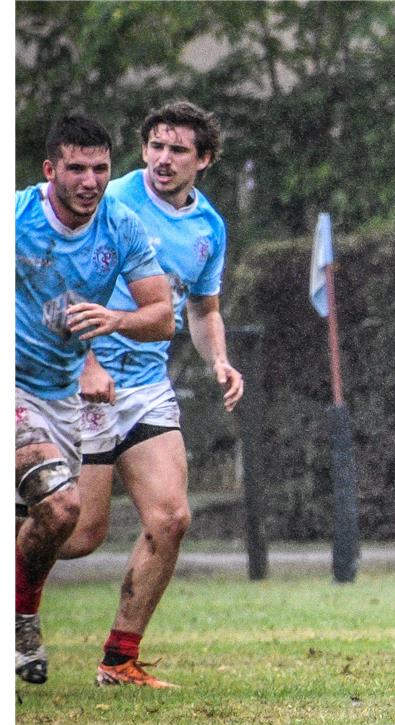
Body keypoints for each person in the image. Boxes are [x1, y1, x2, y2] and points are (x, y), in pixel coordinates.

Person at [54, 101, 242, 688]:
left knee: (171, 517)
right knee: (81, 535)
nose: (163, 158)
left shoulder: (208, 226)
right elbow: (53, 284)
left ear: (203, 160)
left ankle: (119, 661)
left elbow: (203, 308)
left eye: (178, 149)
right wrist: (86, 361)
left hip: (146, 386)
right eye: (156, 145)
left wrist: (220, 360)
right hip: (80, 381)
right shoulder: (106, 201)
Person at [16, 113, 174, 685]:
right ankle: (24, 621)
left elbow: (163, 317)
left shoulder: (122, 225)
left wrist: (114, 320)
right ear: (50, 170)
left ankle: (25, 610)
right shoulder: (17, 219)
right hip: (13, 385)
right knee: (61, 507)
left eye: (100, 168)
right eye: (76, 168)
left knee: (65, 526)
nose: (90, 180)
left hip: (62, 396)